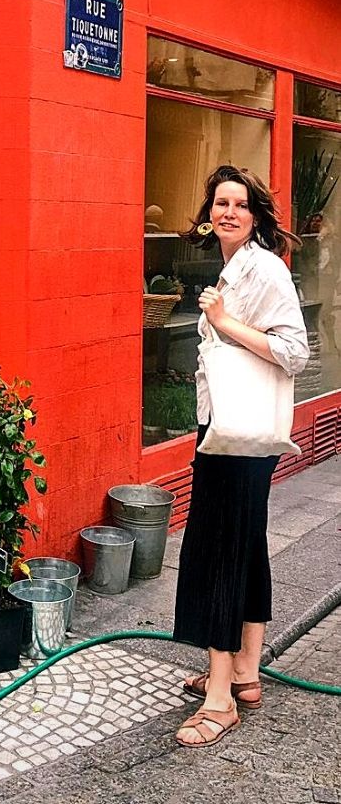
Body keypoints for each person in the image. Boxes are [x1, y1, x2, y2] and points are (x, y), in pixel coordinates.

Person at [173, 165, 309, 749]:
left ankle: (220, 699)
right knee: (245, 543)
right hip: (229, 425)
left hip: (243, 434)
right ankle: (246, 673)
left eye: (240, 203)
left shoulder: (267, 269)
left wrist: (224, 323)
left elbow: (294, 351)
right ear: (210, 213)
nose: (228, 212)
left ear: (256, 215)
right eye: (220, 203)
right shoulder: (234, 267)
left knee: (219, 549)